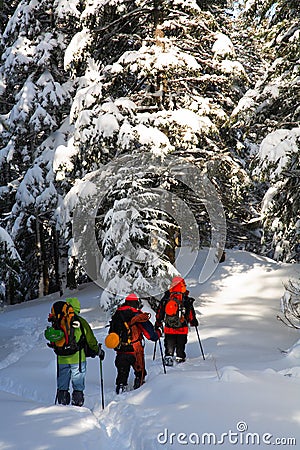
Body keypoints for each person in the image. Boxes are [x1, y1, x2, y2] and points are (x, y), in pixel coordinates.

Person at [55, 297, 105, 406]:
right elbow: (90, 340)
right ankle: (77, 405)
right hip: (78, 359)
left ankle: (61, 406)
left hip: (62, 358)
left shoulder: (59, 320)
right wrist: (98, 351)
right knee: (78, 383)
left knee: (62, 385)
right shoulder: (81, 322)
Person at [108, 293, 160, 394]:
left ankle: (121, 388)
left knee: (122, 373)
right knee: (140, 373)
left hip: (120, 350)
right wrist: (156, 335)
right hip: (135, 350)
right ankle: (138, 391)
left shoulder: (117, 315)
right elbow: (150, 334)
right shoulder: (137, 315)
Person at [155, 276, 198, 366]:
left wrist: (158, 321)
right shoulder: (185, 298)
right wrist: (193, 321)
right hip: (182, 327)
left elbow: (160, 311)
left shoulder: (167, 297)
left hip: (169, 327)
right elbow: (190, 313)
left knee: (169, 342)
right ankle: (180, 356)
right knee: (181, 343)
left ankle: (168, 356)